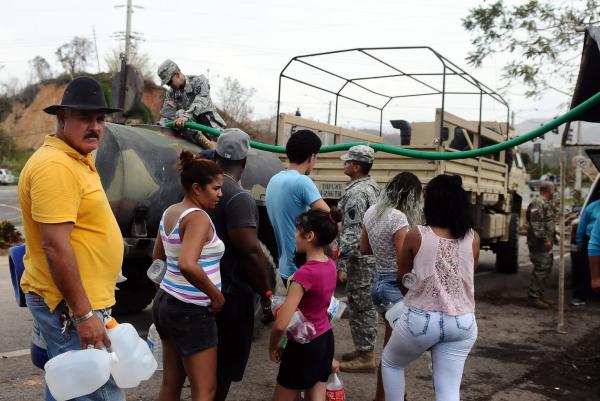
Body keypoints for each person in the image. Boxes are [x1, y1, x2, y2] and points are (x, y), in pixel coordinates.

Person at [18, 76, 125, 401]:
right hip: (70, 307)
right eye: (84, 118)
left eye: (100, 119)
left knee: (70, 390)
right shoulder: (56, 166)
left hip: (76, 302)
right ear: (62, 118)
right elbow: (55, 245)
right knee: (96, 392)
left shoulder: (77, 158)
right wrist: (83, 315)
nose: (94, 126)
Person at [382, 174, 480, 401]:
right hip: (462, 323)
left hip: (421, 320)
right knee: (448, 389)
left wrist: (416, 297)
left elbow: (402, 277)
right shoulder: (473, 238)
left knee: (391, 363)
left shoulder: (417, 235)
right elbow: (466, 278)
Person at [151, 151, 226, 401]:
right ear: (197, 188)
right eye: (215, 188)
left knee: (171, 384)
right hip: (192, 310)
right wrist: (216, 297)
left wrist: (174, 288)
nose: (220, 194)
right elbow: (187, 264)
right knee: (205, 390)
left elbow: (158, 256)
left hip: (166, 302)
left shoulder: (171, 211)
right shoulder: (198, 217)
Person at [207, 128, 275, 401]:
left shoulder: (199, 190)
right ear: (244, 162)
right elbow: (249, 251)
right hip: (231, 297)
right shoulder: (239, 196)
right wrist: (267, 295)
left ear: (215, 155)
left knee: (200, 368)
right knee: (223, 370)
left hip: (200, 290)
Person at [361, 172, 422, 401]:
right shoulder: (399, 218)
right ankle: (383, 397)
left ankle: (398, 395)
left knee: (393, 351)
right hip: (395, 288)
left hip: (378, 286)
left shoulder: (372, 211)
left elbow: (364, 248)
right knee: (392, 355)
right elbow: (402, 261)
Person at [269, 208, 341, 401]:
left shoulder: (304, 274)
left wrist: (273, 345)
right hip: (325, 340)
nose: (294, 235)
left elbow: (281, 324)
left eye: (297, 230)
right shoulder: (330, 265)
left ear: (309, 236)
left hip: (303, 345)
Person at [336, 145, 381, 373]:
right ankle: (363, 348)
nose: (344, 164)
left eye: (347, 162)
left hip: (360, 261)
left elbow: (352, 233)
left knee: (362, 306)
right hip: (370, 259)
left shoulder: (356, 193)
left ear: (356, 166)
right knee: (362, 305)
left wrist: (340, 263)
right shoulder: (371, 187)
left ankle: (366, 355)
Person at [266, 130, 330, 285]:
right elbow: (330, 218)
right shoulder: (302, 182)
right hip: (302, 268)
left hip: (285, 266)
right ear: (311, 156)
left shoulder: (274, 180)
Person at [157, 59, 225, 148]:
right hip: (193, 135)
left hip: (212, 130)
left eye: (169, 82)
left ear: (177, 74)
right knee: (178, 114)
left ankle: (209, 144)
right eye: (167, 84)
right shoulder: (171, 93)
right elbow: (167, 114)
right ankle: (204, 143)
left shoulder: (199, 81)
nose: (169, 85)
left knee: (181, 113)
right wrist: (158, 128)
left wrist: (186, 116)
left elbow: (201, 101)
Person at [526, 180, 556, 309]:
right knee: (541, 268)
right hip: (539, 243)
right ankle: (534, 297)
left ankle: (539, 294)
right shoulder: (537, 203)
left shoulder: (545, 203)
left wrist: (553, 237)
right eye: (553, 189)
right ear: (549, 190)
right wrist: (545, 240)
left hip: (545, 242)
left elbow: (547, 222)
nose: (554, 192)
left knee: (546, 267)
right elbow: (536, 224)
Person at [572, 199, 600, 306]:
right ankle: (580, 296)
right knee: (586, 269)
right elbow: (582, 224)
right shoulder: (592, 207)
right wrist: (579, 241)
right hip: (591, 240)